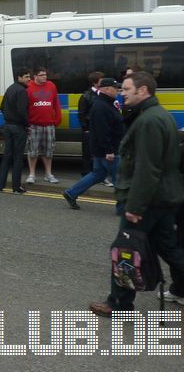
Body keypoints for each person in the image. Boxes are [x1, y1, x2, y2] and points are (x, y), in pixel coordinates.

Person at [89, 71, 184, 317]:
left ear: (143, 91)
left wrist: (135, 206)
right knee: (169, 248)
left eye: (127, 90)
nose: (122, 93)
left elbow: (147, 168)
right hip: (164, 197)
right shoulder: (158, 115)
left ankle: (119, 304)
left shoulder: (149, 121)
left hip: (148, 200)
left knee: (124, 249)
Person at [63, 78, 124, 210]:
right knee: (119, 179)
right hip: (109, 150)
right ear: (106, 89)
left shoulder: (108, 103)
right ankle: (123, 208)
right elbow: (103, 131)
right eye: (115, 88)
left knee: (98, 174)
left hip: (103, 148)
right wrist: (109, 150)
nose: (118, 90)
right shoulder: (101, 106)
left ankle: (71, 193)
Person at [0, 67, 31, 194]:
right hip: (18, 127)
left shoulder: (10, 88)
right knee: (17, 157)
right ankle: (16, 187)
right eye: (26, 77)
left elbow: (2, 107)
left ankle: (0, 185)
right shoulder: (22, 91)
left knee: (7, 156)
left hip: (8, 126)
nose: (29, 79)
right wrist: (28, 124)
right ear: (19, 78)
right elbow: (22, 111)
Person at [25, 67, 61, 185]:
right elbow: (25, 107)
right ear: (35, 76)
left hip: (49, 124)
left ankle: (48, 174)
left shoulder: (51, 85)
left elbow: (56, 103)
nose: (45, 77)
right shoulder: (28, 87)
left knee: (48, 151)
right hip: (33, 125)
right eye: (41, 75)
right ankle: (32, 174)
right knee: (32, 151)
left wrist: (57, 119)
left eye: (45, 74)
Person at [78, 71, 104, 178]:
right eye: (101, 80)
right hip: (90, 128)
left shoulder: (103, 94)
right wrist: (85, 128)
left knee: (100, 152)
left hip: (100, 128)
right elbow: (82, 113)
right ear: (95, 82)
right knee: (87, 153)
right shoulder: (86, 95)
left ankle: (100, 173)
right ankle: (86, 173)